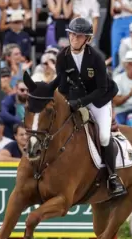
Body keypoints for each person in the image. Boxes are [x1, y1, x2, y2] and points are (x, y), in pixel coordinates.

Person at [50, 17, 125, 197]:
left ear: (87, 39)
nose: (75, 39)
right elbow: (62, 86)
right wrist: (67, 101)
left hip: (100, 100)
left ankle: (113, 177)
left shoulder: (96, 57)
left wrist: (80, 103)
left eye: (79, 36)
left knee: (105, 136)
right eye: (72, 35)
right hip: (77, 98)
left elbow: (102, 88)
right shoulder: (62, 57)